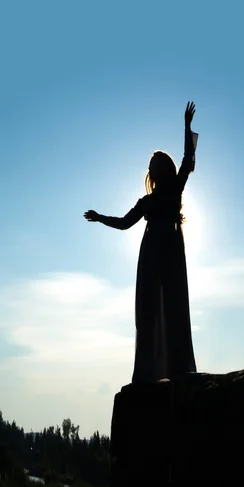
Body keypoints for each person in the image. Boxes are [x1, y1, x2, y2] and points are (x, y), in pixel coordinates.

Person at [84, 101, 199, 383]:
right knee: (148, 310)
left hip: (170, 251)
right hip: (150, 255)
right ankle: (148, 370)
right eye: (150, 163)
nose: (150, 165)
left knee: (173, 306)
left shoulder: (174, 189)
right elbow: (125, 223)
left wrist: (186, 127)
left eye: (153, 162)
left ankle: (177, 367)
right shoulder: (146, 201)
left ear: (162, 168)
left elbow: (187, 160)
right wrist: (100, 218)